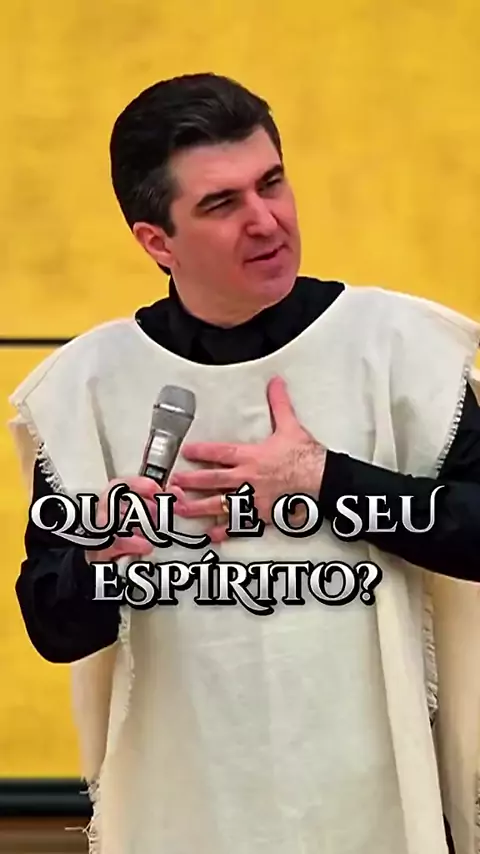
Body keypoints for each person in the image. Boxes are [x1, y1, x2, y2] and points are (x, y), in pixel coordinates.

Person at [9, 73, 480, 854]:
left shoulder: (401, 349)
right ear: (156, 242)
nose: (267, 221)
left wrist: (326, 480)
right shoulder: (86, 389)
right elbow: (53, 629)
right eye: (222, 204)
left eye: (273, 183)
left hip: (376, 807)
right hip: (181, 810)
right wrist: (102, 559)